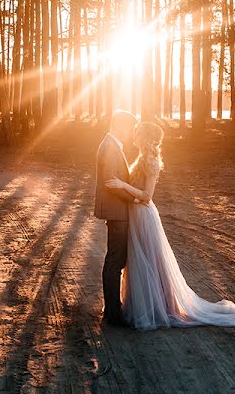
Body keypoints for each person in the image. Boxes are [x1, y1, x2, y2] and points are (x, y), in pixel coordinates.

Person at [106, 121, 235, 330]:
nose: (134, 136)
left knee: (150, 261)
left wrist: (122, 185)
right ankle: (143, 305)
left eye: (138, 134)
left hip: (144, 215)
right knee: (138, 262)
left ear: (146, 137)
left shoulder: (151, 160)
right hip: (134, 214)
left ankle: (162, 307)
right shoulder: (141, 157)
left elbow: (147, 196)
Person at [93, 110, 140, 327]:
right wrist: (132, 198)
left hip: (116, 210)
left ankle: (112, 308)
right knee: (114, 260)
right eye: (129, 128)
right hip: (117, 210)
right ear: (121, 126)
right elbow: (109, 181)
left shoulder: (110, 144)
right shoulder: (110, 147)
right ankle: (113, 313)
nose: (131, 133)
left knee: (115, 259)